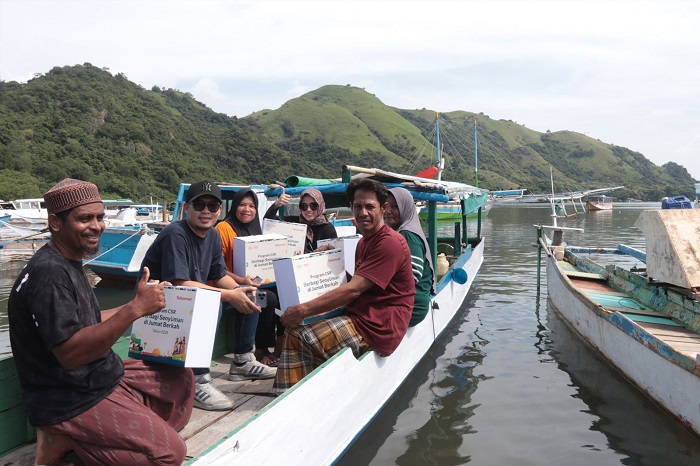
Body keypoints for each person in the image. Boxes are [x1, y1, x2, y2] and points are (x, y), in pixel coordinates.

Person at [8, 178, 194, 466]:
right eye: (84, 219)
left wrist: (140, 306)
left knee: (180, 377)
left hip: (99, 375)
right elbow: (71, 355)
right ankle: (65, 438)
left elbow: (89, 321)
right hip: (69, 396)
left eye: (100, 217)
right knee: (170, 454)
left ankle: (80, 438)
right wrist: (133, 310)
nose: (96, 226)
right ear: (56, 223)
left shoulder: (67, 260)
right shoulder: (49, 276)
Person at [140, 181, 275, 412]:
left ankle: (242, 360)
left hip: (186, 300)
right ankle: (198, 379)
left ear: (219, 210)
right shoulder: (175, 234)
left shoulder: (212, 235)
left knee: (252, 295)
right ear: (186, 208)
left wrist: (239, 292)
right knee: (211, 303)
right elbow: (180, 283)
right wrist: (229, 295)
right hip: (157, 307)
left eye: (212, 206)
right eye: (199, 205)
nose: (206, 211)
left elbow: (219, 274)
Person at [273, 178, 415, 394]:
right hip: (362, 316)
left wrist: (302, 310)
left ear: (383, 208)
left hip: (378, 327)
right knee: (300, 328)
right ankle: (308, 390)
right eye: (358, 206)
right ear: (351, 208)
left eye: (370, 207)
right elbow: (358, 282)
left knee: (296, 335)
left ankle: (286, 398)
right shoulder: (364, 241)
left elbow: (354, 289)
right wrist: (331, 257)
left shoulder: (389, 242)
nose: (363, 212)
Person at [216, 189, 281, 367]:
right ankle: (247, 356)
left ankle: (262, 348)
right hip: (225, 287)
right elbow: (217, 269)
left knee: (273, 295)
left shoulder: (254, 229)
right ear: (235, 206)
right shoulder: (223, 228)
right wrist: (241, 280)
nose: (247, 209)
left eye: (252, 206)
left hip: (247, 283)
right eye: (242, 205)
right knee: (260, 298)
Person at [384, 187, 436, 326]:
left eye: (395, 207)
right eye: (386, 206)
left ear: (405, 208)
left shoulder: (407, 235)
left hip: (412, 306)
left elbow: (411, 277)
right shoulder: (399, 232)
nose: (388, 211)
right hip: (405, 301)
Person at [264, 187, 338, 253]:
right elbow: (268, 221)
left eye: (313, 206)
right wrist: (276, 205)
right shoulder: (293, 222)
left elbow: (334, 256)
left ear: (320, 206)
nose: (308, 210)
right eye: (304, 206)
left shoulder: (328, 229)